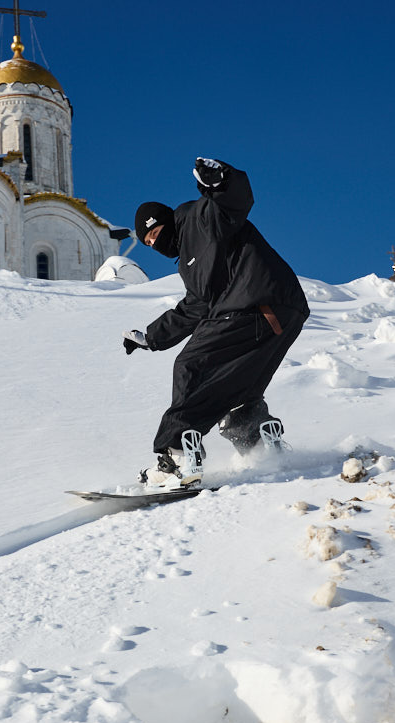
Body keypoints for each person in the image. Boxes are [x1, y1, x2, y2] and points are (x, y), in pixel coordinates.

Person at [124, 157, 310, 489]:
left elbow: (234, 202)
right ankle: (260, 440)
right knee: (236, 391)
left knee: (191, 365)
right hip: (278, 314)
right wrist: (149, 337)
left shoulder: (198, 218)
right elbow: (196, 306)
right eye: (149, 243)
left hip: (255, 305)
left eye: (154, 233)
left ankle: (176, 455)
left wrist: (220, 179)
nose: (154, 243)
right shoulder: (189, 261)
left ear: (165, 220)